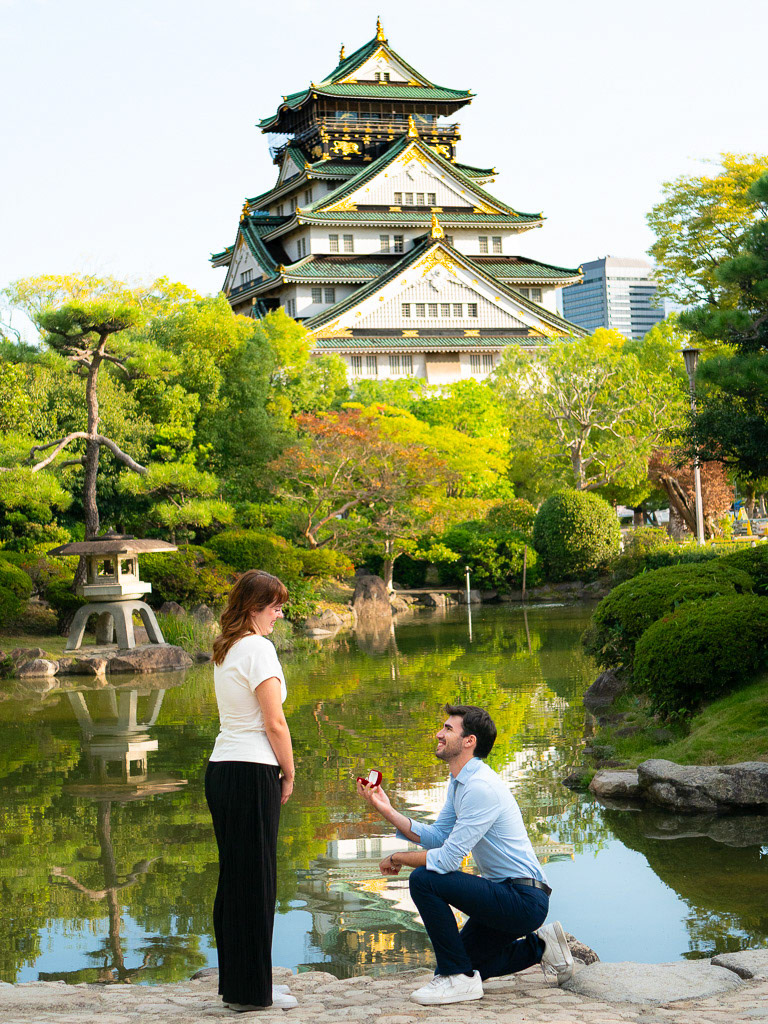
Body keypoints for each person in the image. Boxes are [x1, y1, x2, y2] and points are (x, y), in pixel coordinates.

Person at [356, 703, 574, 1006]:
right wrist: (386, 809)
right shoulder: (461, 782)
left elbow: (447, 860)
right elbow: (438, 837)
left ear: (469, 741)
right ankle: (541, 947)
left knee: (424, 879)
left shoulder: (480, 787)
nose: (439, 733)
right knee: (467, 961)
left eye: (448, 729)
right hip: (505, 894)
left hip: (523, 899)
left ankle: (456, 979)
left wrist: (398, 858)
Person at [205, 570, 298, 1012]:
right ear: (254, 607)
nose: (279, 614)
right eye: (275, 607)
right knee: (256, 881)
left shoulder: (227, 649)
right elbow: (273, 721)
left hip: (222, 769)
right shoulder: (259, 649)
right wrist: (290, 772)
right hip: (251, 769)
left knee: (235, 880)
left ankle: (243, 986)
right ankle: (251, 993)